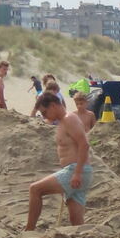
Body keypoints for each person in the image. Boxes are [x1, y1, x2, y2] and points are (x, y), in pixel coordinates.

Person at [25, 92, 93, 228]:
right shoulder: (63, 121)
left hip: (75, 170)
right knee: (76, 224)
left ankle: (29, 230)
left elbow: (84, 144)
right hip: (77, 171)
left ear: (52, 106)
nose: (44, 116)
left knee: (35, 189)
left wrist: (77, 173)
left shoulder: (69, 119)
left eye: (44, 112)